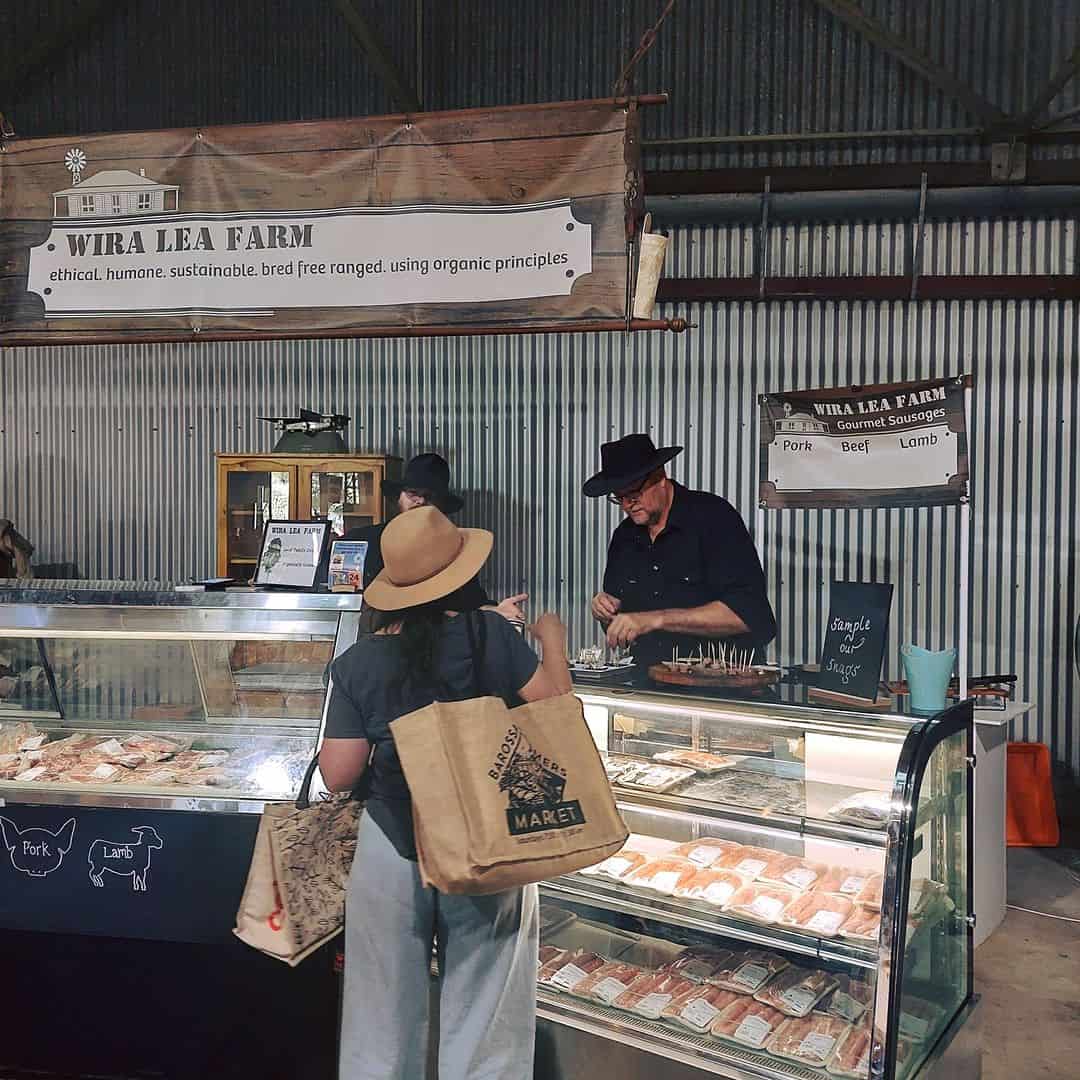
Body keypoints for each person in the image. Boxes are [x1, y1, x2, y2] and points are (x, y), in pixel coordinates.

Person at [319, 505, 571, 1080]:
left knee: (380, 1016)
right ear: (459, 572)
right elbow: (556, 706)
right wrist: (551, 638)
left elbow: (338, 773)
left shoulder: (359, 661)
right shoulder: (490, 636)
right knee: (487, 1019)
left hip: (391, 842)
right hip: (490, 840)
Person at [584, 433, 776, 669]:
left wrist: (655, 619)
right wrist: (606, 611)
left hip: (720, 685)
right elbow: (623, 623)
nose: (626, 505)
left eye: (633, 494)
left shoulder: (714, 519)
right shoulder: (624, 537)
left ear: (660, 478)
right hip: (648, 683)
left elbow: (750, 616)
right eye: (619, 497)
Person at [343, 452, 527, 622]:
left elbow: (472, 604)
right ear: (398, 496)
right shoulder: (359, 540)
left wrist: (495, 613)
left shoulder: (453, 550)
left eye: (429, 496)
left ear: (440, 505)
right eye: (413, 493)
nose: (420, 501)